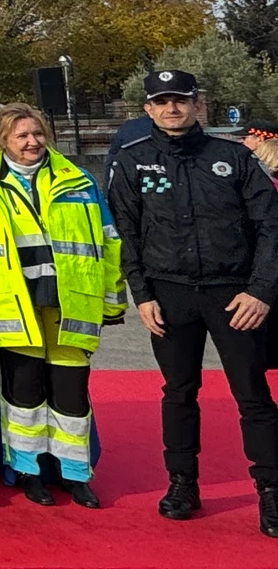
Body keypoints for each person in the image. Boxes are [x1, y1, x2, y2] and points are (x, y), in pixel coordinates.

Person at [108, 69, 278, 536]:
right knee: (179, 393)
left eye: (180, 100)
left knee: (253, 396)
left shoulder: (233, 158)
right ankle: (182, 483)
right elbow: (126, 233)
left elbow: (271, 227)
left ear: (196, 104)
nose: (171, 108)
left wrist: (262, 290)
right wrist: (141, 295)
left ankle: (272, 491)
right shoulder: (132, 161)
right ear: (147, 109)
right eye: (161, 101)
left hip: (235, 295)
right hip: (169, 296)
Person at [0, 103, 122, 510]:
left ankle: (74, 475)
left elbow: (109, 242)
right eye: (22, 136)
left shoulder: (81, 180)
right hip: (13, 306)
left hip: (72, 303)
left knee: (72, 395)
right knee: (23, 395)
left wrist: (112, 301)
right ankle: (29, 471)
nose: (32, 142)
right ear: (3, 141)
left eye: (37, 133)